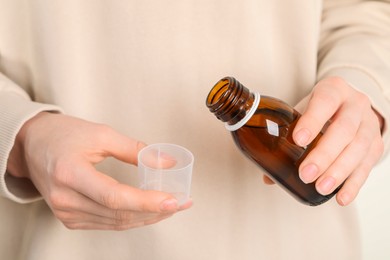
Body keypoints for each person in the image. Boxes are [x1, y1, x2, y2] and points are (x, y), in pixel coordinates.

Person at [0, 1, 389, 259]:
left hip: (291, 242)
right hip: (66, 245)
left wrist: (363, 88)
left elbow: (366, 12)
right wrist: (20, 133)